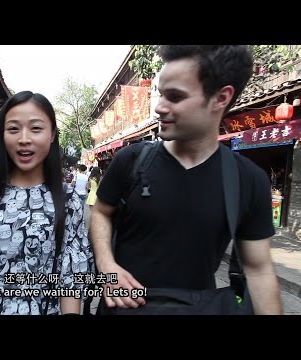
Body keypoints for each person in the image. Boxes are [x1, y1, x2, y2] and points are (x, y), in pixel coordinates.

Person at [90, 45, 282, 315]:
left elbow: (259, 269)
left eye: (175, 97)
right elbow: (101, 212)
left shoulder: (248, 180)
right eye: (160, 94)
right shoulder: (131, 161)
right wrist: (107, 266)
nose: (159, 108)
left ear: (220, 98)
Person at [0, 91, 93, 315]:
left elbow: (70, 278)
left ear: (52, 134)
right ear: (3, 134)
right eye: (13, 129)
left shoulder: (68, 198)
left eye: (36, 128)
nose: (24, 138)